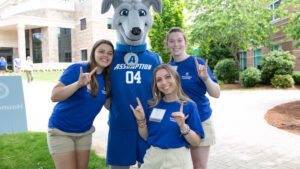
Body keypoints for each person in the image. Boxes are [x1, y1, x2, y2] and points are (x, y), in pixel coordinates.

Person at [47, 39, 114, 169]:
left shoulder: (107, 78)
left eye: (110, 53)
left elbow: (107, 104)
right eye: (101, 51)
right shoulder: (79, 69)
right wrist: (78, 84)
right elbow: (54, 96)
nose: (105, 55)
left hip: (84, 133)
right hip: (61, 131)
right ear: (93, 52)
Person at [130, 64, 204, 169]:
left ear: (176, 78)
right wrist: (141, 120)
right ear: (156, 85)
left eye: (168, 77)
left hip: (177, 159)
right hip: (152, 157)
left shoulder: (189, 106)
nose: (164, 82)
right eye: (159, 80)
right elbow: (146, 136)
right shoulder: (152, 106)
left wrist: (183, 126)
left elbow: (196, 142)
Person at [166, 27, 221, 169]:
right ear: (167, 45)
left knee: (199, 166)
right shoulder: (167, 68)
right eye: (171, 41)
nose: (176, 44)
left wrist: (205, 78)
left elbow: (216, 93)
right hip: (177, 122)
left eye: (179, 40)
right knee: (177, 165)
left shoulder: (197, 63)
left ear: (185, 43)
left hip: (201, 120)